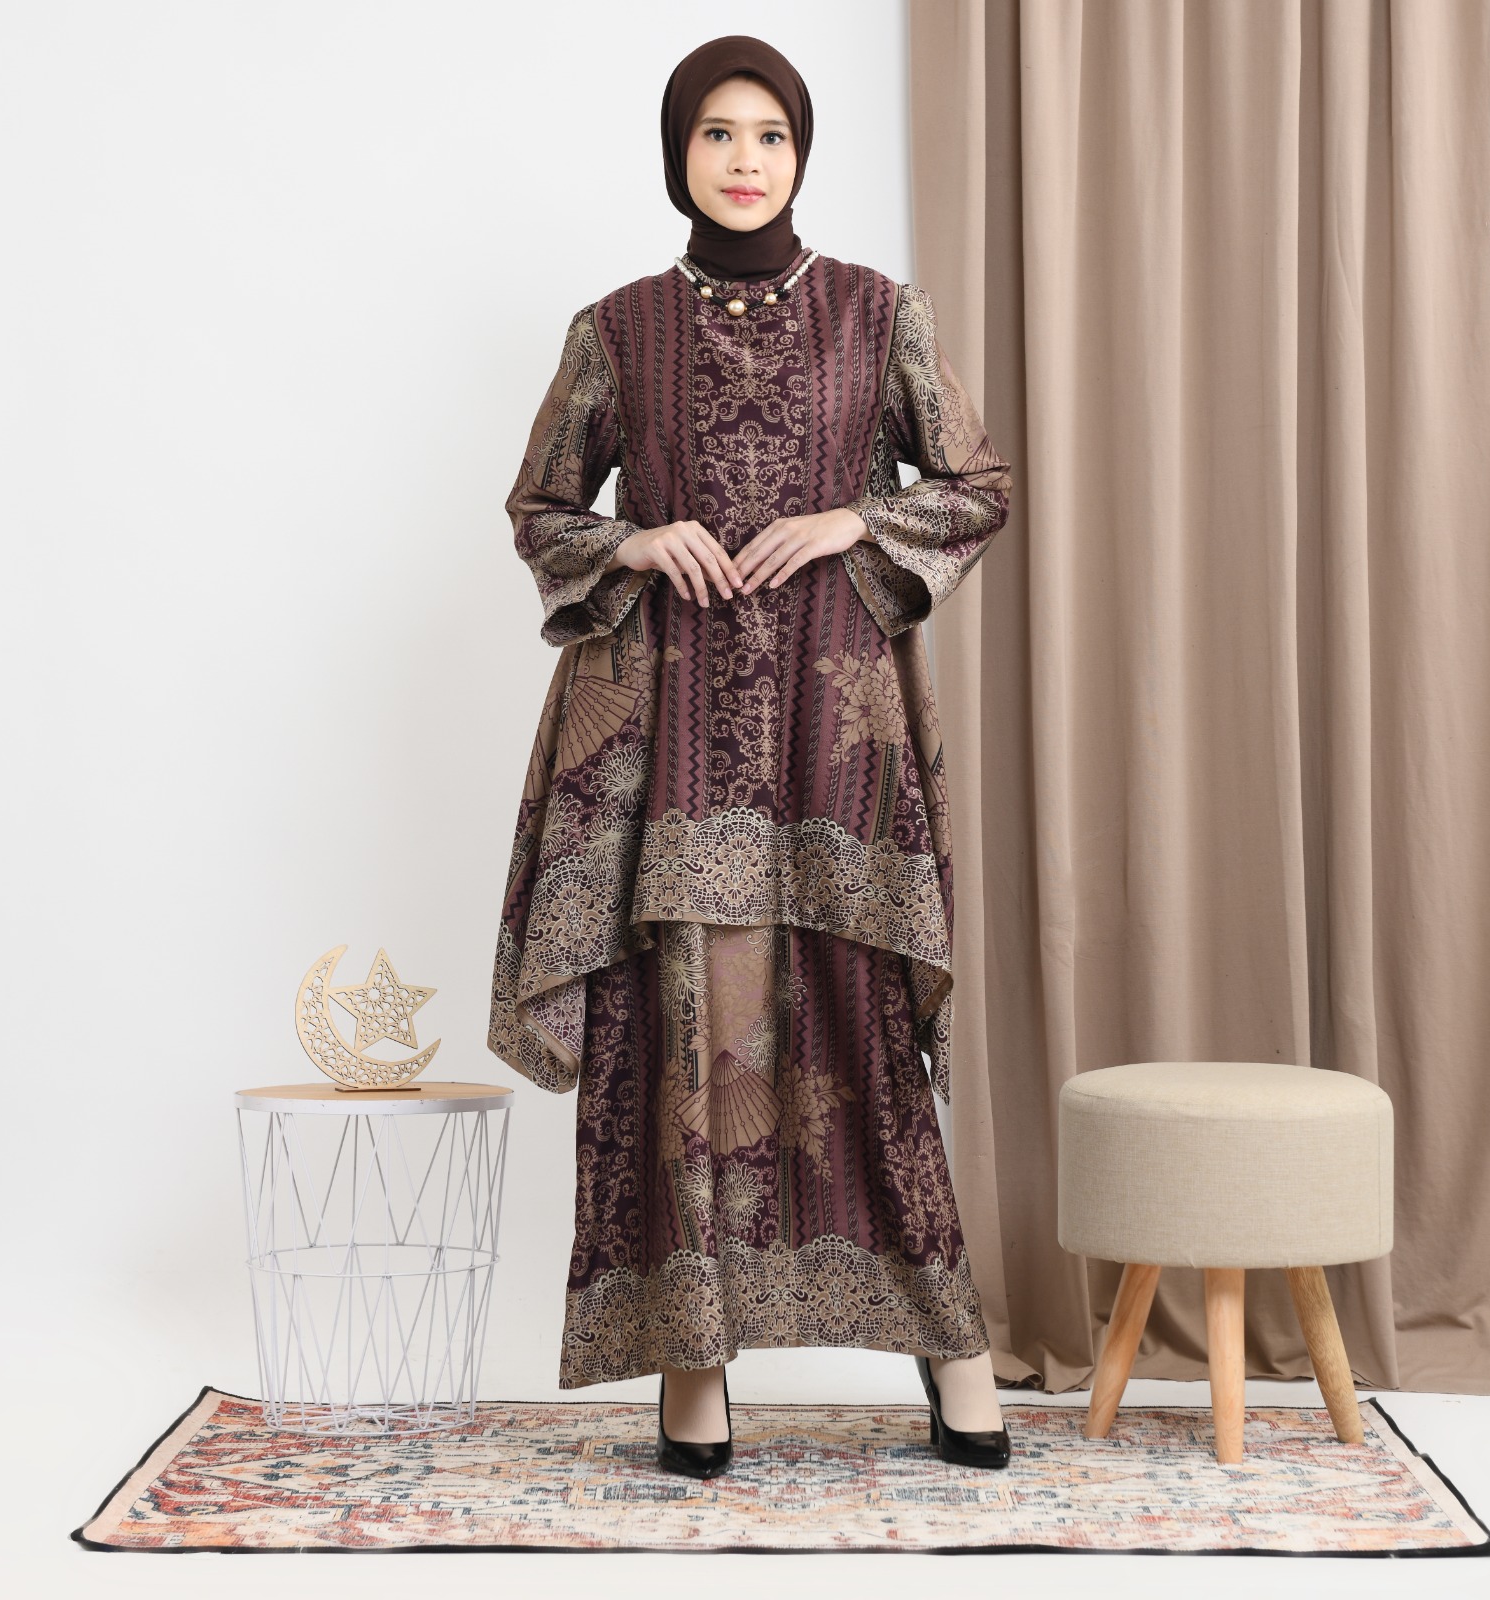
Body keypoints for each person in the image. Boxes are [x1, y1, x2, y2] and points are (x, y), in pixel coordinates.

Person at [487, 34, 1013, 1476]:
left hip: (837, 734)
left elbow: (975, 485)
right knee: (686, 1032)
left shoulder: (877, 314)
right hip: (672, 735)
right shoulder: (618, 330)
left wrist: (856, 519)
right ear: (680, 153)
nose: (744, 159)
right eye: (717, 133)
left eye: (769, 134)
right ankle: (695, 1368)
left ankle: (956, 1357)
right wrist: (633, 540)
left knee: (862, 1032)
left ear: (800, 153)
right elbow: (540, 506)